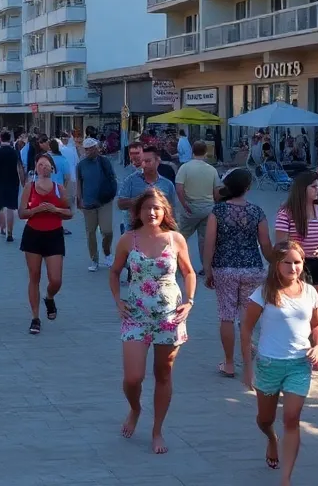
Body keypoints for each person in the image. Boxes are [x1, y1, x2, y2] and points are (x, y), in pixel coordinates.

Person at [109, 188, 195, 455]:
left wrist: (189, 301)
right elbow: (114, 272)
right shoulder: (127, 239)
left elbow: (189, 272)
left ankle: (157, 430)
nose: (152, 212)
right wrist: (118, 300)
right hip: (135, 315)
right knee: (133, 377)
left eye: (157, 208)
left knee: (163, 373)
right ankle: (135, 408)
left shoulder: (176, 239)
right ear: (138, 212)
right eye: (146, 208)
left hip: (169, 317)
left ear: (164, 211)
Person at [240, 240, 318, 482]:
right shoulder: (263, 293)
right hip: (268, 364)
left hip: (299, 364)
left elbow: (316, 325)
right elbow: (246, 329)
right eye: (287, 262)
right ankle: (271, 438)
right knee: (265, 420)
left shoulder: (310, 292)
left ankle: (285, 478)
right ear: (276, 264)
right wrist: (247, 367)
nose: (293, 267)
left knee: (291, 419)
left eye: (297, 262)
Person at [203, 167, 271, 378]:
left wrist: (207, 270)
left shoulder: (218, 212)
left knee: (226, 315)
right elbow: (266, 244)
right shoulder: (257, 212)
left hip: (224, 268)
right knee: (246, 316)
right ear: (248, 188)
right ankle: (249, 359)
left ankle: (230, 363)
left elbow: (210, 243)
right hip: (252, 268)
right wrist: (276, 263)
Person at [274, 171, 318, 372]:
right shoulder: (286, 213)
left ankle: (314, 356)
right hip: (295, 266)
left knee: (317, 310)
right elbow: (281, 243)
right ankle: (294, 353)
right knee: (296, 311)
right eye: (313, 186)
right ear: (302, 189)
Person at [19, 154, 73, 335]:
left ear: (52, 168)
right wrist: (35, 210)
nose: (43, 168)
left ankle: (49, 297)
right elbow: (21, 212)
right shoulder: (30, 187)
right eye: (40, 164)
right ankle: (35, 318)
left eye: (46, 165)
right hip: (33, 234)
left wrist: (55, 209)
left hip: (54, 234)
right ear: (36, 167)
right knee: (34, 276)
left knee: (56, 279)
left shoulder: (58, 189)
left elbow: (69, 212)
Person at [174, 140, 222, 270]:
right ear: (206, 152)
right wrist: (215, 204)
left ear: (192, 151)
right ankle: (206, 267)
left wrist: (184, 204)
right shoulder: (212, 170)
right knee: (205, 240)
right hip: (208, 209)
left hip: (189, 208)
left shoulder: (184, 168)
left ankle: (177, 264)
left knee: (180, 236)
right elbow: (217, 191)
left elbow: (179, 188)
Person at [75, 137, 117, 271]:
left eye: (91, 148)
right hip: (88, 203)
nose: (88, 151)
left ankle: (107, 252)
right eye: (86, 149)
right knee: (91, 232)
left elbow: (112, 178)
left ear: (96, 149)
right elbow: (79, 182)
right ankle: (94, 259)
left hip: (104, 201)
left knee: (107, 231)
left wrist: (111, 193)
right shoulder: (81, 165)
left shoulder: (104, 162)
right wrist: (79, 199)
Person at [116, 146, 176, 236]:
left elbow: (171, 210)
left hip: (158, 234)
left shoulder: (167, 185)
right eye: (142, 162)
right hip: (134, 232)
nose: (144, 165)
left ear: (157, 162)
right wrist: (139, 201)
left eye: (148, 161)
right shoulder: (130, 181)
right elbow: (120, 204)